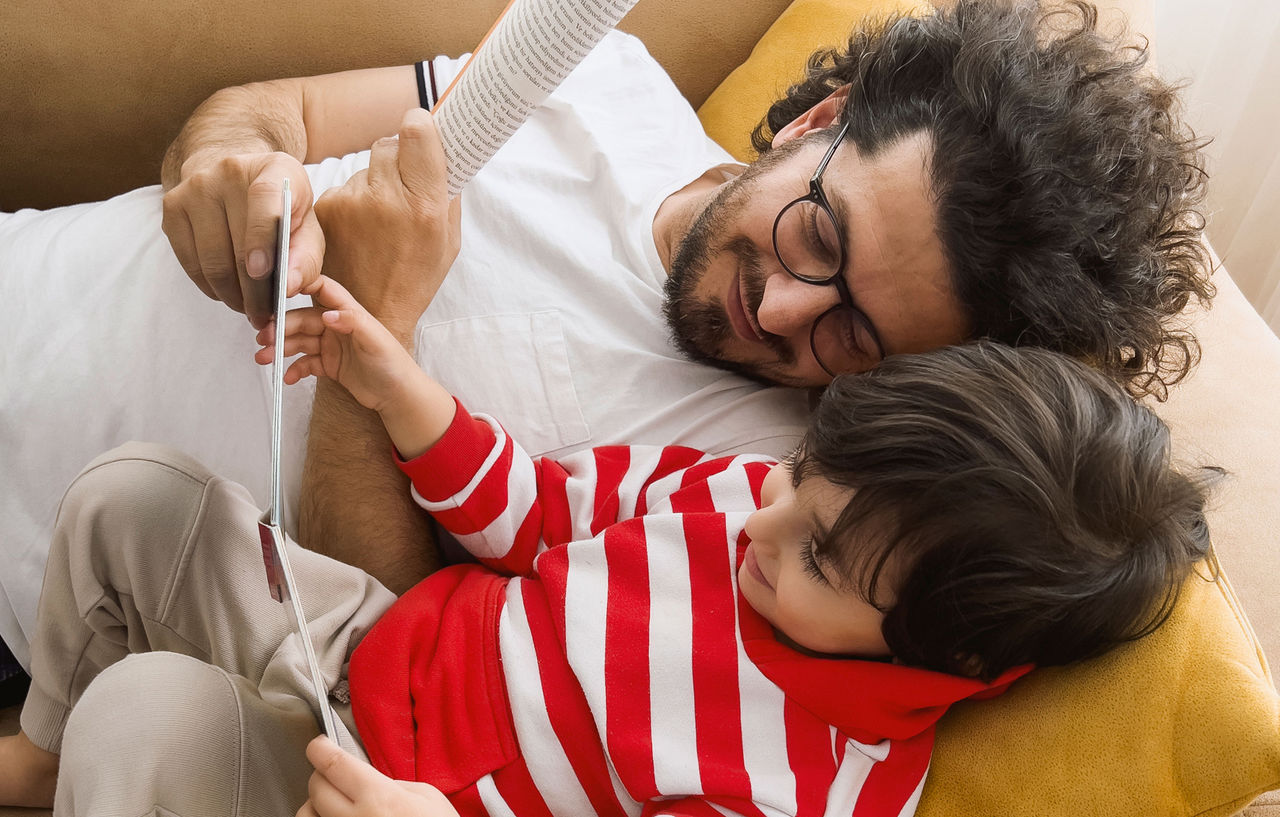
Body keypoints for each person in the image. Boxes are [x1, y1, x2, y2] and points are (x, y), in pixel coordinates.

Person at [0, 0, 1211, 661]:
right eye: (818, 239)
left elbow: (378, 640)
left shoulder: (743, 489)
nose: (784, 312)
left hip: (38, 593)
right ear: (817, 120)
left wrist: (390, 330)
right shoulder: (601, 80)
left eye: (856, 336)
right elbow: (276, 110)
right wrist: (223, 167)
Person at [0, 273, 1217, 815]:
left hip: (374, 798)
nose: (764, 523)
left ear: (942, 660)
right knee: (136, 494)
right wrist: (396, 386)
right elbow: (531, 510)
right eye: (803, 477)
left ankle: (105, 753)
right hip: (361, 648)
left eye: (820, 559)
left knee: (149, 715)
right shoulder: (746, 497)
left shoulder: (811, 787)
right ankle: (48, 760)